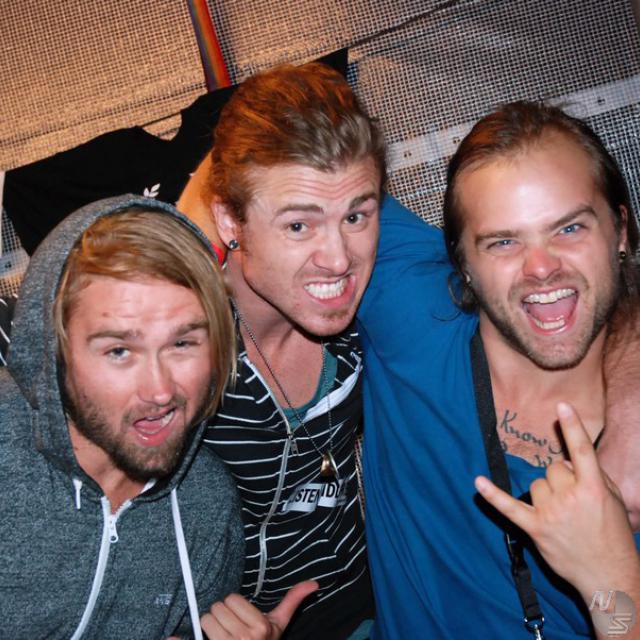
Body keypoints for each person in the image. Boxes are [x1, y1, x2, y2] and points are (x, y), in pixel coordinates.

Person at [358, 101, 640, 638]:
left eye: (570, 228)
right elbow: (262, 147)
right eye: (504, 242)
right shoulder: (411, 311)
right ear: (461, 260)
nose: (542, 267)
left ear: (621, 230)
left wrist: (610, 579)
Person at [177, 62, 382, 640]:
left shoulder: (376, 309)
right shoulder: (177, 357)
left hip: (372, 600)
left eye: (356, 216)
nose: (339, 260)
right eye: (298, 226)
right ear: (228, 219)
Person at [0, 195, 245, 639]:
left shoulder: (207, 506)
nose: (160, 391)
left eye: (182, 344)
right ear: (53, 351)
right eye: (119, 351)